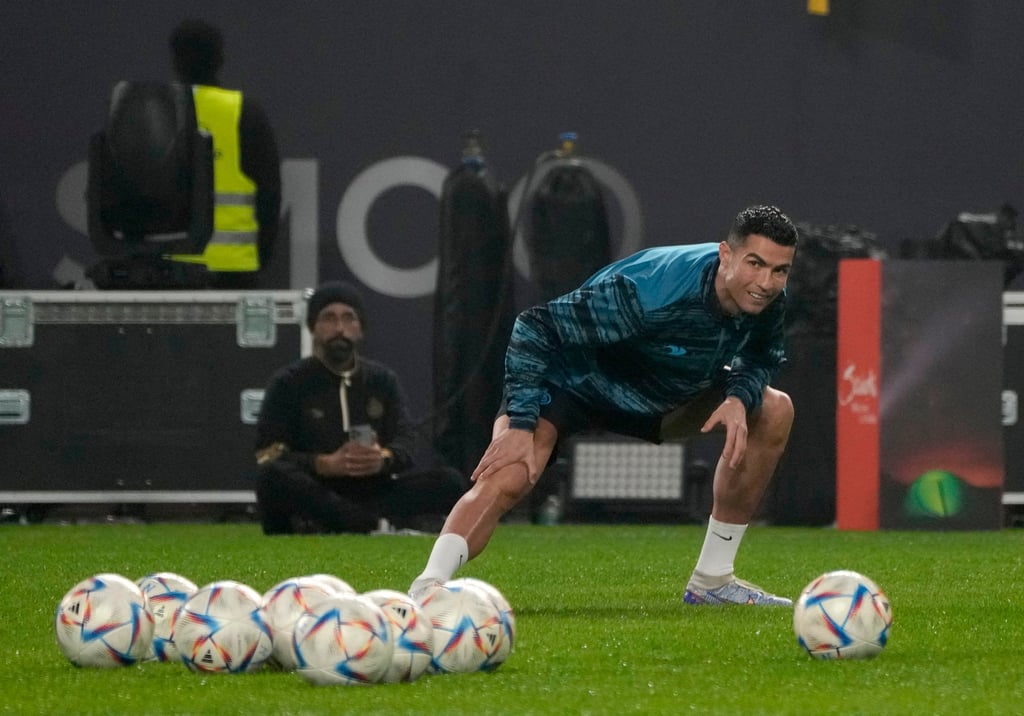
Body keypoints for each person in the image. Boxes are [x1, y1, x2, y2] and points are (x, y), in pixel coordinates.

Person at [409, 204, 799, 606]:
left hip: (660, 395)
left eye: (779, 270)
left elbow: (762, 356)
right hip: (575, 382)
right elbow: (535, 326)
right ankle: (428, 588)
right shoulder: (645, 292)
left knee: (774, 409)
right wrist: (521, 425)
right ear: (725, 254)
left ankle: (713, 581)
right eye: (755, 264)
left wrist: (738, 396)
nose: (766, 282)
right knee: (511, 474)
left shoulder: (769, 297)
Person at [254, 281, 467, 535]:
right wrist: (323, 464)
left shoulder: (381, 380)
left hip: (372, 490)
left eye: (348, 318)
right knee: (272, 477)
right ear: (313, 327)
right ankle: (373, 526)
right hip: (317, 491)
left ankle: (351, 524)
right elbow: (267, 454)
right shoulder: (289, 382)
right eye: (329, 319)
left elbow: (406, 440)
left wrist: (383, 458)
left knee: (450, 482)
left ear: (360, 329)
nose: (339, 329)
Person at [165, 18, 281, 288]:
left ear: (174, 59)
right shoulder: (245, 113)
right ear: (220, 58)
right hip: (232, 271)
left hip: (168, 270)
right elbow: (270, 196)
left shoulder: (156, 114)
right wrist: (259, 258)